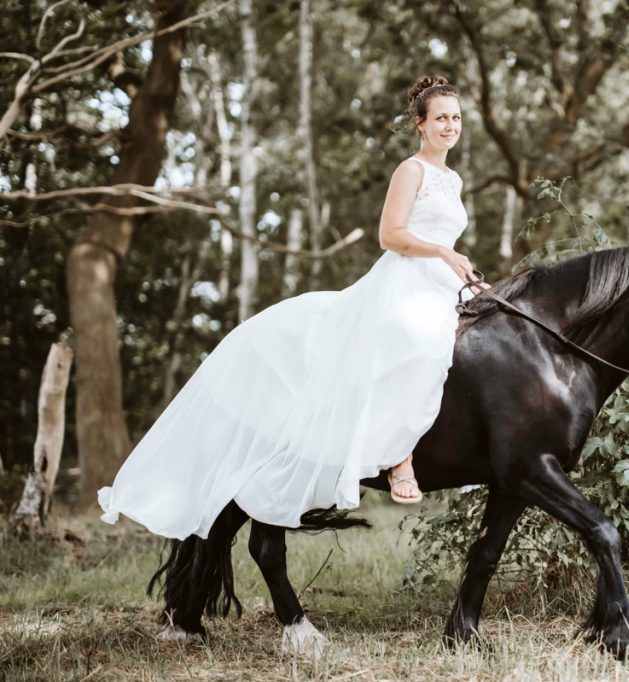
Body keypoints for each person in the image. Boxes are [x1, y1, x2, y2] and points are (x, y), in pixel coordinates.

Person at [99, 75, 485, 540]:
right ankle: (399, 456)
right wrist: (442, 252)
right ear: (420, 124)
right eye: (441, 118)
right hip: (405, 277)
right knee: (415, 343)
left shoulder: (453, 179)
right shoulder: (411, 170)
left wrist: (461, 269)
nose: (450, 126)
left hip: (445, 280)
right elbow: (390, 235)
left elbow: (445, 237)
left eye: (455, 118)